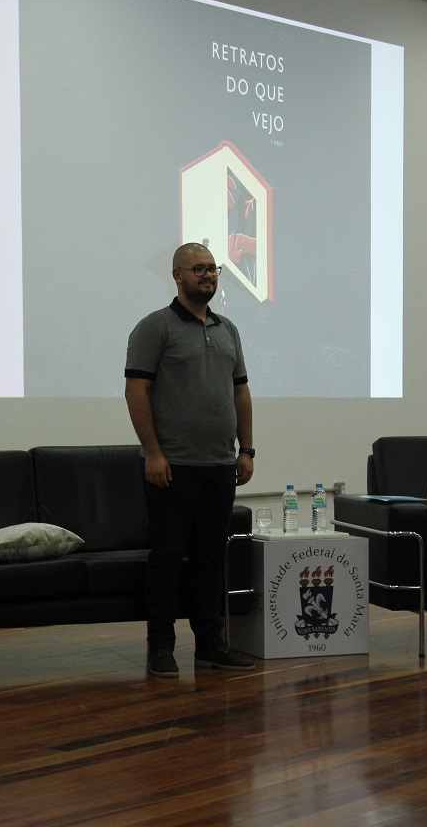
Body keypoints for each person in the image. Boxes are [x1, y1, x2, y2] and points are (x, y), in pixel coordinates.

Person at [125, 242, 258, 678]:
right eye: (198, 269)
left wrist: (246, 449)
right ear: (177, 275)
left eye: (213, 269)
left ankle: (211, 645)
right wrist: (153, 453)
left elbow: (240, 392)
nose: (208, 275)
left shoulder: (227, 329)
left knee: (210, 558)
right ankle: (161, 648)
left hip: (219, 465)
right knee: (167, 557)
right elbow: (136, 391)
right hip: (172, 466)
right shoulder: (154, 327)